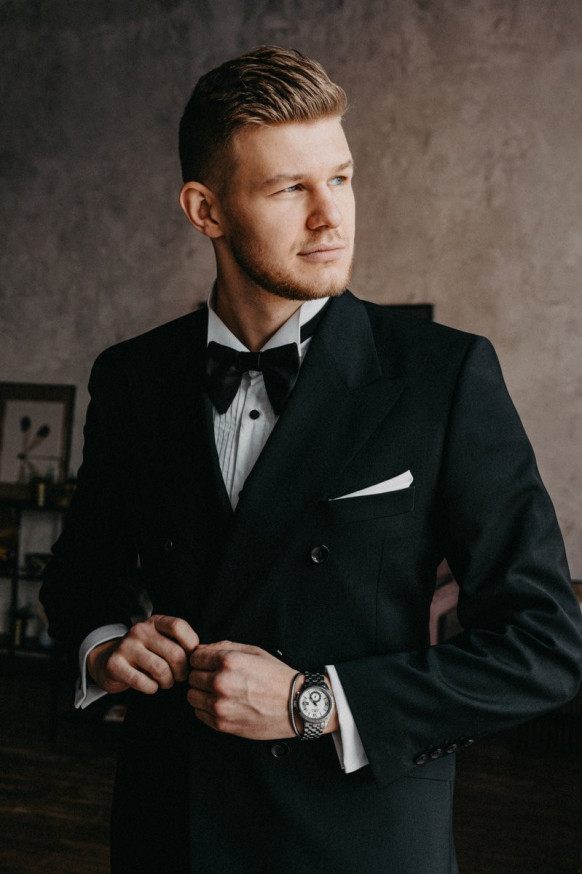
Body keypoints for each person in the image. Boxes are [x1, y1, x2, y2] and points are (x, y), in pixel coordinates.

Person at [40, 45, 582, 874]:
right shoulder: (133, 377)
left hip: (358, 841)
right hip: (170, 831)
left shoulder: (444, 375)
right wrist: (107, 647)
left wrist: (312, 702)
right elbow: (82, 574)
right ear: (205, 209)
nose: (332, 218)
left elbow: (543, 646)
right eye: (290, 189)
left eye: (341, 178)